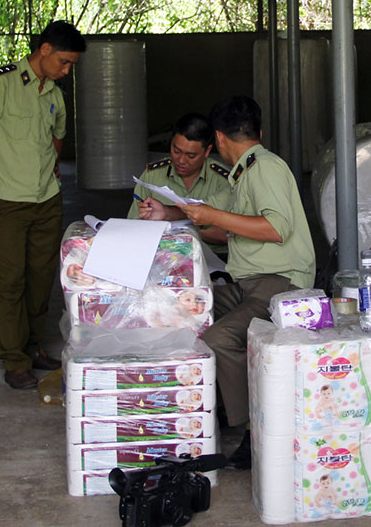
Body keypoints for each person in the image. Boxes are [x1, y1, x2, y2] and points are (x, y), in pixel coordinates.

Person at [139, 95, 315, 470]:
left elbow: (276, 228)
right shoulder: (243, 172)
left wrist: (212, 214)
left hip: (280, 283)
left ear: (217, 139)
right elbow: (222, 229)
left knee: (220, 337)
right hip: (248, 281)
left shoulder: (265, 168)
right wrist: (168, 212)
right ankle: (199, 406)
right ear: (258, 131)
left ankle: (255, 429)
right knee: (185, 307)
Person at [0, 20, 86, 390]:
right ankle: (14, 359)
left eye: (71, 66)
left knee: (40, 279)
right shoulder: (0, 82)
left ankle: (34, 347)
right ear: (45, 49)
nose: (66, 71)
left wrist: (50, 170)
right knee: (10, 281)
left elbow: (56, 138)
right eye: (64, 62)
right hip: (6, 200)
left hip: (46, 200)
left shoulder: (54, 93)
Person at [128, 113, 231, 249]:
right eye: (176, 151)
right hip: (162, 256)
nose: (181, 160)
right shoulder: (151, 176)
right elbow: (132, 226)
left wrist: (176, 224)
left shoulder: (224, 180)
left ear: (207, 151)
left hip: (213, 258)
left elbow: (227, 235)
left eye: (191, 155)